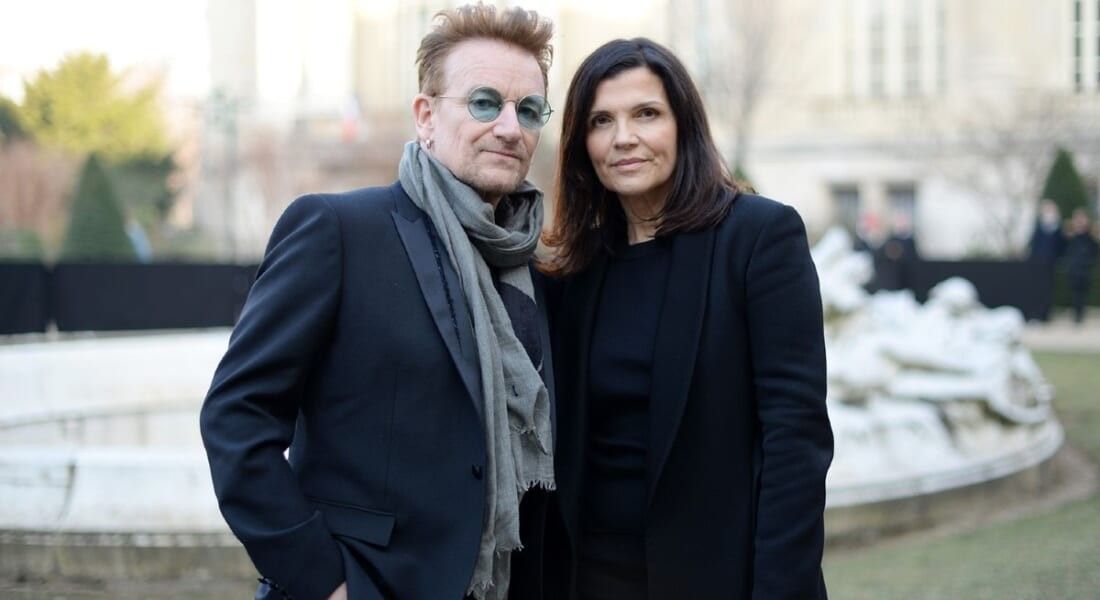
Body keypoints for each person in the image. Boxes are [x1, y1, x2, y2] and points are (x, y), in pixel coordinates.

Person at [199, 5, 557, 600]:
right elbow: (235, 421)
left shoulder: (536, 268)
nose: (509, 128)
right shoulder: (338, 230)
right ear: (426, 116)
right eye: (484, 102)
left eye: (528, 110)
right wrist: (327, 583)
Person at [543, 38, 833, 599]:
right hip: (594, 578)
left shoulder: (758, 239)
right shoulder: (575, 268)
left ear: (683, 126)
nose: (623, 137)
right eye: (602, 120)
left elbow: (794, 441)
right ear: (582, 143)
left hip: (723, 578)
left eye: (646, 114)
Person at [1027, 199, 1067, 321]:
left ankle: (1047, 313)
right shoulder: (1038, 226)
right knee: (1037, 288)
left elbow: (1061, 245)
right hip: (1038, 262)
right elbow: (1034, 243)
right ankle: (1037, 313)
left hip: (1051, 263)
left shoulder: (1058, 227)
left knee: (1049, 288)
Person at [1065, 208, 1099, 324]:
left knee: (1083, 293)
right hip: (1074, 268)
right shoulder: (1071, 236)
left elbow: (1094, 251)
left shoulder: (1090, 236)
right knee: (1075, 293)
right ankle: (1076, 315)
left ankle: (1080, 315)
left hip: (1085, 268)